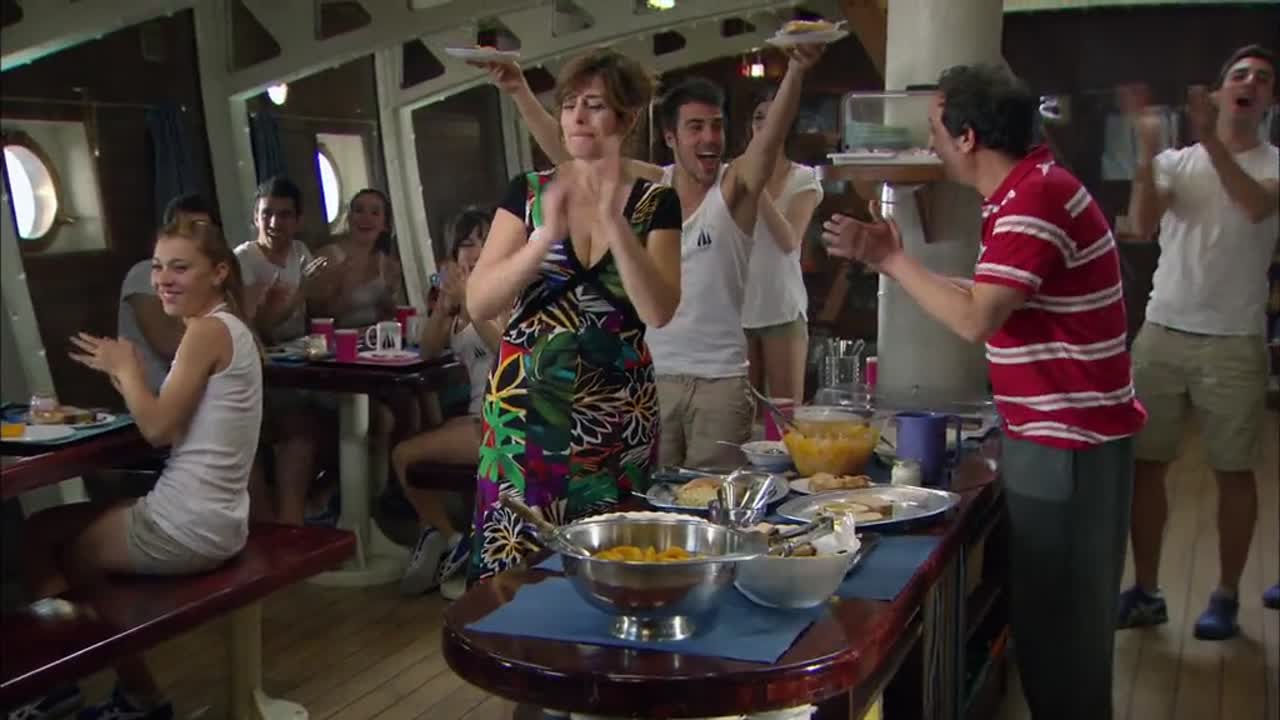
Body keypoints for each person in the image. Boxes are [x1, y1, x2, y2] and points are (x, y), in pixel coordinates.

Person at [822, 65, 1146, 719]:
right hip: (1062, 442)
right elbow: (993, 298)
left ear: (967, 136)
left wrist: (890, 259)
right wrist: (895, 261)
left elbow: (976, 319)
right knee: (1055, 638)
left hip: (1066, 447)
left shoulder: (1033, 199)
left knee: (1063, 648)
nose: (932, 142)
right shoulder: (1029, 190)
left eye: (936, 129)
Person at [482, 43, 824, 470]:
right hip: (649, 379)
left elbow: (769, 143)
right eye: (695, 127)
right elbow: (572, 150)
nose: (709, 138)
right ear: (670, 138)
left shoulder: (733, 189)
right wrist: (519, 90)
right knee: (649, 497)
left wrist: (795, 70)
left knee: (709, 500)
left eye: (716, 127)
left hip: (719, 382)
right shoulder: (651, 188)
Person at [16, 221, 262, 720]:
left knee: (68, 553)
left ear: (218, 272)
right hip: (220, 518)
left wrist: (127, 368)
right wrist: (121, 373)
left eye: (180, 267)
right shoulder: (228, 328)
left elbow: (157, 430)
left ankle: (121, 694)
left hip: (190, 524)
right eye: (157, 267)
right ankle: (88, 686)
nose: (163, 280)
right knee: (39, 531)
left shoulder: (207, 331)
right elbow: (174, 421)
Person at [464, 47, 682, 581]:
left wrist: (614, 221)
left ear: (626, 119)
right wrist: (541, 243)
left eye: (595, 105)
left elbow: (658, 310)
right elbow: (480, 301)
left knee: (612, 562)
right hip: (525, 403)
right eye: (569, 105)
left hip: (617, 409)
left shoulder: (656, 202)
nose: (578, 117)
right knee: (516, 560)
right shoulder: (529, 192)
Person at [1116, 45, 1279, 640]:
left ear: (1270, 100)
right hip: (1162, 331)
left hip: (1234, 341)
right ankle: (1146, 592)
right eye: (1239, 75)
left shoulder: (1274, 164)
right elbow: (1141, 224)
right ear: (1216, 93)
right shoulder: (1176, 162)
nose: (1250, 82)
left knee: (1234, 472)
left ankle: (1226, 596)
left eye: (1263, 79)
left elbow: (1254, 206)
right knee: (1146, 466)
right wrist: (1144, 152)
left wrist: (1209, 140)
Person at [392, 207, 501, 596]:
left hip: (504, 418)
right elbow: (428, 350)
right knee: (405, 448)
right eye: (466, 243)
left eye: (485, 241)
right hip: (476, 414)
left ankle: (450, 542)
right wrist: (443, 305)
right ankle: (447, 540)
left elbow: (505, 349)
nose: (475, 251)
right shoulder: (457, 297)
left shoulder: (504, 291)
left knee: (404, 455)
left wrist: (469, 300)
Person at [236, 177, 339, 525]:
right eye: (267, 214)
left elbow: (317, 313)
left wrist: (326, 289)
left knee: (368, 417)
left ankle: (319, 501)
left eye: (284, 215)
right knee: (301, 422)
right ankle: (292, 518)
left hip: (302, 365)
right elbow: (259, 327)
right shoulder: (243, 260)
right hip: (265, 374)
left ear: (298, 220)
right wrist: (302, 292)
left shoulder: (300, 252)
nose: (274, 222)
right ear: (255, 216)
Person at [741, 90, 823, 407]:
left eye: (774, 116)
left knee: (785, 414)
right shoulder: (733, 173)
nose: (765, 124)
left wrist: (756, 186)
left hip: (782, 306)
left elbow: (789, 240)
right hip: (735, 308)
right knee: (738, 415)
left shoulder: (803, 178)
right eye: (758, 117)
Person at [117, 193, 214, 392]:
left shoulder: (211, 274)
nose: (192, 238)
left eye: (200, 230)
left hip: (203, 386)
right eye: (183, 230)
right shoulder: (144, 273)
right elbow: (168, 345)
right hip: (157, 392)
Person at [311, 188, 404, 328]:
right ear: (349, 218)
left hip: (372, 337)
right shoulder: (326, 257)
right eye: (359, 210)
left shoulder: (388, 264)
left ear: (385, 224)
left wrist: (389, 300)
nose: (366, 218)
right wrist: (343, 291)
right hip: (337, 338)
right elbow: (316, 318)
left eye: (375, 213)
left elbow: (390, 317)